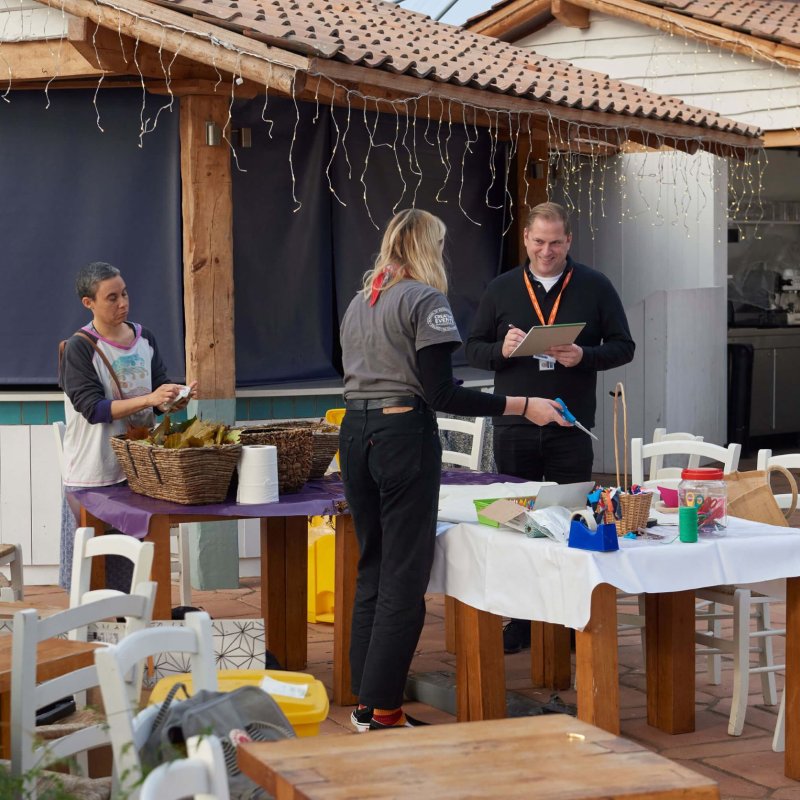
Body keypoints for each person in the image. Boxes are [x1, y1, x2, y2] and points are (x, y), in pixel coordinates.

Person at [339, 208, 570, 732]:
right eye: (439, 246)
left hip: (354, 435)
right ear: (425, 249)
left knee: (373, 566)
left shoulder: (360, 301)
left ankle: (365, 700)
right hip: (402, 437)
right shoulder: (425, 299)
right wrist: (522, 404)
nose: (443, 257)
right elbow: (442, 393)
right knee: (404, 575)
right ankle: (383, 711)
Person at [465, 202, 635, 653]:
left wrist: (586, 356)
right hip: (515, 422)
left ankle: (571, 620)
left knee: (573, 522)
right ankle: (520, 621)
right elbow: (472, 350)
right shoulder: (501, 288)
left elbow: (624, 346)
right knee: (517, 523)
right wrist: (500, 349)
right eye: (538, 242)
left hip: (572, 424)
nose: (546, 251)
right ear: (525, 238)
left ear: (569, 241)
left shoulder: (595, 286)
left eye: (555, 242)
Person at [58, 261, 196, 590]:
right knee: (95, 569)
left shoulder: (143, 338)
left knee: (138, 562)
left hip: (140, 470)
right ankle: (96, 631)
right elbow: (93, 409)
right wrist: (149, 399)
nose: (122, 303)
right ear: (88, 303)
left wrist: (174, 398)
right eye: (111, 297)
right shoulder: (79, 348)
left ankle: (138, 623)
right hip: (96, 472)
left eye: (124, 294)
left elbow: (159, 395)